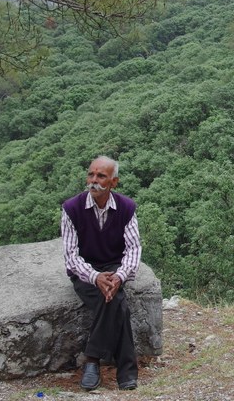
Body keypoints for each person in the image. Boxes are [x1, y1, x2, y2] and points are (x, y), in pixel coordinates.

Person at [61, 155, 142, 391]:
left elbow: (134, 248)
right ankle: (125, 370)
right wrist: (95, 277)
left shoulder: (126, 208)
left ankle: (92, 359)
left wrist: (119, 276)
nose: (93, 180)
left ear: (114, 182)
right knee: (117, 302)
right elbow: (71, 256)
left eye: (101, 176)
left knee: (114, 295)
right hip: (84, 271)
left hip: (114, 267)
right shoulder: (71, 208)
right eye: (91, 174)